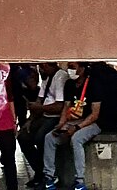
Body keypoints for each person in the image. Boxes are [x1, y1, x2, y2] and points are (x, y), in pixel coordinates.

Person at [44, 62, 110, 190]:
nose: (69, 70)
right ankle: (49, 177)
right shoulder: (69, 84)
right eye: (69, 67)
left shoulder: (94, 84)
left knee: (77, 139)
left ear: (82, 68)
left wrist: (77, 128)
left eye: (73, 67)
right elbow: (66, 107)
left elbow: (95, 114)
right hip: (72, 121)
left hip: (91, 122)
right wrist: (61, 124)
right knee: (49, 138)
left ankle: (79, 180)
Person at [20, 63, 68, 187]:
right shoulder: (46, 79)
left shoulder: (60, 77)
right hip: (43, 114)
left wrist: (39, 107)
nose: (41, 69)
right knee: (23, 137)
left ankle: (48, 174)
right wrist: (30, 119)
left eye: (43, 66)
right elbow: (40, 99)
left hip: (55, 116)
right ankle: (39, 170)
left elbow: (59, 106)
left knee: (40, 138)